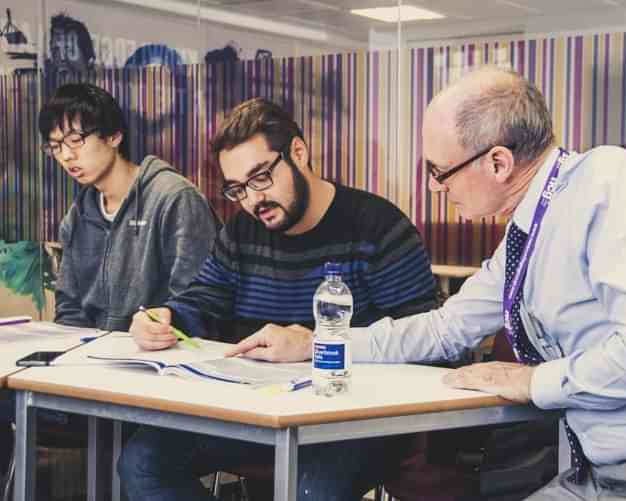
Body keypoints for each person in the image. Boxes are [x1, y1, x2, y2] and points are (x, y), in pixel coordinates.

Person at [229, 66, 626, 500]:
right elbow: (445, 328)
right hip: (619, 470)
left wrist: (532, 381)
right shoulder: (532, 226)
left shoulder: (610, 185)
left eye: (439, 172)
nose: (434, 189)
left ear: (497, 162)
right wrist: (320, 344)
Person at [119, 97, 438, 500]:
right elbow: (204, 302)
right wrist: (166, 317)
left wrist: (315, 345)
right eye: (238, 189)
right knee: (142, 461)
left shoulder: (377, 227)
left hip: (353, 422)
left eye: (261, 178)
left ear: (299, 154)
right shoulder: (240, 234)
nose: (253, 200)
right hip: (255, 411)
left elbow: (425, 340)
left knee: (312, 489)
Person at [0, 82, 219, 480]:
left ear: (114, 136)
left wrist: (158, 324)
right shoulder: (81, 211)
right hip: (88, 377)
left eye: (76, 139)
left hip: (155, 383)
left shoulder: (173, 199)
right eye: (55, 145)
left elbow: (199, 304)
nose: (66, 155)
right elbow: (68, 306)